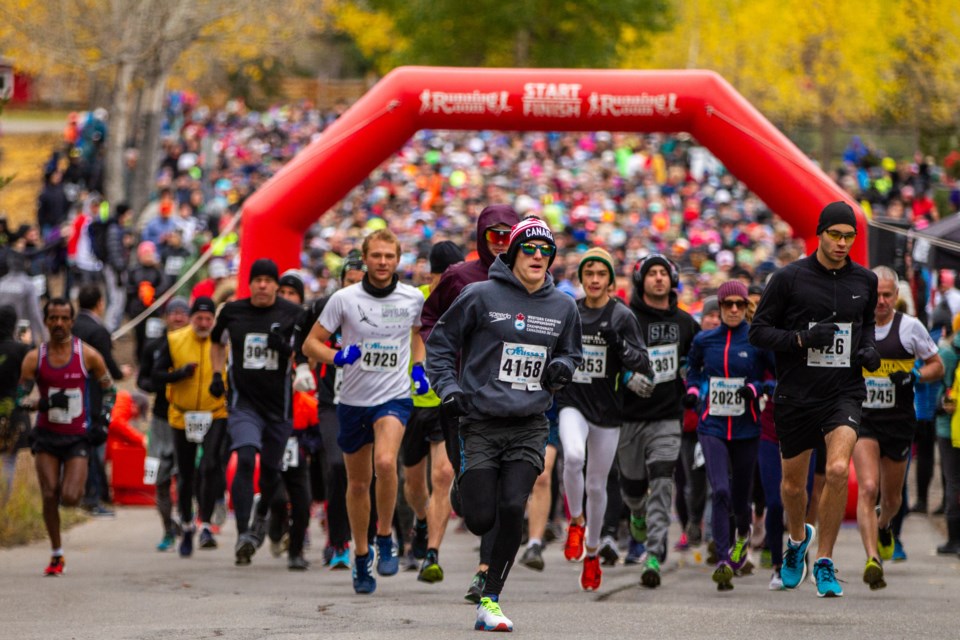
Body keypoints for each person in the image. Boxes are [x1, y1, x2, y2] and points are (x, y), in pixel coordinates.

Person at [427, 217, 582, 632]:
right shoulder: (479, 295)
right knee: (478, 517)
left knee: (513, 505)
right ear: (512, 253)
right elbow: (440, 344)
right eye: (529, 249)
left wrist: (562, 368)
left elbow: (572, 353)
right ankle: (464, 486)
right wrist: (447, 388)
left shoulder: (564, 306)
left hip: (530, 421)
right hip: (479, 421)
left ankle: (490, 597)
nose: (537, 256)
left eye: (545, 251)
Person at [749, 201, 881, 597]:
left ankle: (823, 560)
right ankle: (795, 543)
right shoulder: (789, 279)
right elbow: (758, 332)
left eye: (849, 237)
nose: (842, 243)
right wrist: (800, 340)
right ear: (820, 233)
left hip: (843, 391)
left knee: (839, 469)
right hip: (796, 393)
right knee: (792, 488)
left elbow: (867, 324)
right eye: (835, 235)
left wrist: (870, 351)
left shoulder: (865, 281)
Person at [303, 229, 427, 594]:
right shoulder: (344, 299)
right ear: (366, 257)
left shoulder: (411, 298)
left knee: (387, 464)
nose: (383, 262)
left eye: (390, 256)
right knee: (357, 483)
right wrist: (337, 356)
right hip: (353, 400)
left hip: (394, 397)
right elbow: (311, 343)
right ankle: (360, 555)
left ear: (398, 259)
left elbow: (418, 334)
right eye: (377, 256)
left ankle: (385, 536)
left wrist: (418, 368)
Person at [418, 203, 519, 603]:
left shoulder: (527, 278)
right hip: (461, 400)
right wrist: (444, 365)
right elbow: (430, 319)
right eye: (492, 234)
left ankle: (485, 573)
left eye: (507, 235)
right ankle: (464, 489)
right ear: (480, 235)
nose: (499, 242)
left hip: (508, 400)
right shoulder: (459, 277)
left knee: (499, 493)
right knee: (472, 491)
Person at [556, 248, 648, 591]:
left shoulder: (622, 315)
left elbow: (644, 363)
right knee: (573, 456)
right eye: (589, 273)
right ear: (581, 278)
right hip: (573, 402)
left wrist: (620, 348)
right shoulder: (570, 311)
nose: (594, 280)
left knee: (597, 485)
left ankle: (592, 554)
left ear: (610, 280)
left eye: (601, 274)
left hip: (607, 412)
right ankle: (575, 522)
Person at [209, 258, 303, 567]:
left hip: (279, 406)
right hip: (243, 403)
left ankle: (261, 518)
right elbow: (216, 342)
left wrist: (287, 350)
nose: (262, 284)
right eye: (257, 279)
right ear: (249, 284)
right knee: (246, 456)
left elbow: (306, 353)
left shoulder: (292, 314)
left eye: (268, 279)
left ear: (276, 284)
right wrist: (216, 375)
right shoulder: (233, 312)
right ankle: (243, 533)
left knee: (272, 471)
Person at [853, 266, 941, 589]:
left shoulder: (910, 328)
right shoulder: (856, 328)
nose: (882, 302)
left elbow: (937, 366)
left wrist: (915, 375)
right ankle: (872, 559)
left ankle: (885, 524)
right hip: (864, 420)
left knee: (891, 498)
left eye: (887, 295)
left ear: (896, 296)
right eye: (876, 295)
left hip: (899, 421)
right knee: (867, 487)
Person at [684, 280, 775, 591]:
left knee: (741, 497)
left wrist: (757, 389)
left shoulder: (757, 341)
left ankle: (741, 541)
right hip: (712, 426)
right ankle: (723, 558)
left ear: (745, 307)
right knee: (720, 489)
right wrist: (694, 390)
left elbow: (775, 379)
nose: (734, 309)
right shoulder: (704, 340)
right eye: (727, 305)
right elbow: (692, 370)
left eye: (739, 304)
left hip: (748, 428)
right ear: (719, 308)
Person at [618, 253, 699, 587]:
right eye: (651, 273)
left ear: (673, 278)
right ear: (641, 280)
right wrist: (626, 377)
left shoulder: (685, 323)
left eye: (663, 273)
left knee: (664, 480)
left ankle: (653, 552)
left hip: (668, 416)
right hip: (629, 417)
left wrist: (688, 373)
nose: (658, 278)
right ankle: (636, 512)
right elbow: (609, 356)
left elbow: (697, 360)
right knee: (634, 489)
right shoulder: (624, 318)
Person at [18, 297, 115, 575]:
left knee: (71, 497)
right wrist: (40, 404)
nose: (58, 324)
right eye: (53, 318)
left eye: (64, 318)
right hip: (47, 436)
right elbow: (18, 398)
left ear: (72, 321)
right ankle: (56, 553)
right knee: (49, 494)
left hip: (76, 438)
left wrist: (103, 421)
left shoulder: (87, 355)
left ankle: (68, 497)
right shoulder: (34, 358)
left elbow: (111, 390)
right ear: (46, 322)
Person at [297, 254, 366, 570]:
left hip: (369, 400)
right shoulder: (326, 308)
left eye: (359, 282)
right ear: (341, 282)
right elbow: (303, 339)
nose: (353, 288)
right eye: (349, 282)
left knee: (373, 471)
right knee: (337, 467)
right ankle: (338, 542)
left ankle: (377, 538)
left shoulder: (379, 309)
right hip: (332, 403)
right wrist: (304, 367)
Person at [401, 240, 463, 583]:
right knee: (412, 482)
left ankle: (432, 554)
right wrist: (418, 369)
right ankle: (421, 520)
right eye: (443, 276)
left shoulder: (466, 297)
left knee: (441, 475)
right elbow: (416, 335)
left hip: (445, 401)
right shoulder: (418, 298)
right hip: (413, 402)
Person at [152, 296, 230, 557]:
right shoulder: (174, 340)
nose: (204, 323)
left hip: (215, 412)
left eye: (209, 319)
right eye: (199, 318)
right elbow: (156, 374)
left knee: (209, 465)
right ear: (192, 317)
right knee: (184, 475)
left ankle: (205, 524)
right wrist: (179, 373)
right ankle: (186, 525)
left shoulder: (223, 341)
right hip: (182, 415)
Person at [136, 297, 190, 551]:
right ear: (166, 317)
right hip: (160, 420)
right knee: (159, 478)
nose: (178, 317)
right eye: (173, 313)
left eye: (182, 313)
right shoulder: (155, 346)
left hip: (189, 419)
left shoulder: (197, 346)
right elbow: (142, 381)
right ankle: (168, 529)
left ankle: (187, 521)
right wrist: (163, 382)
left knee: (185, 476)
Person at [72, 284, 127, 517]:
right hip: (93, 393)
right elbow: (108, 366)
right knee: (95, 445)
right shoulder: (98, 331)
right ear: (100, 303)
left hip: (71, 390)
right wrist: (121, 372)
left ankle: (82, 492)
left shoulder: (71, 326)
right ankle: (93, 495)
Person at [0, 306, 31, 504]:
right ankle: (3, 503)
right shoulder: (20, 350)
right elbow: (30, 379)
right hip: (12, 410)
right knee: (8, 460)